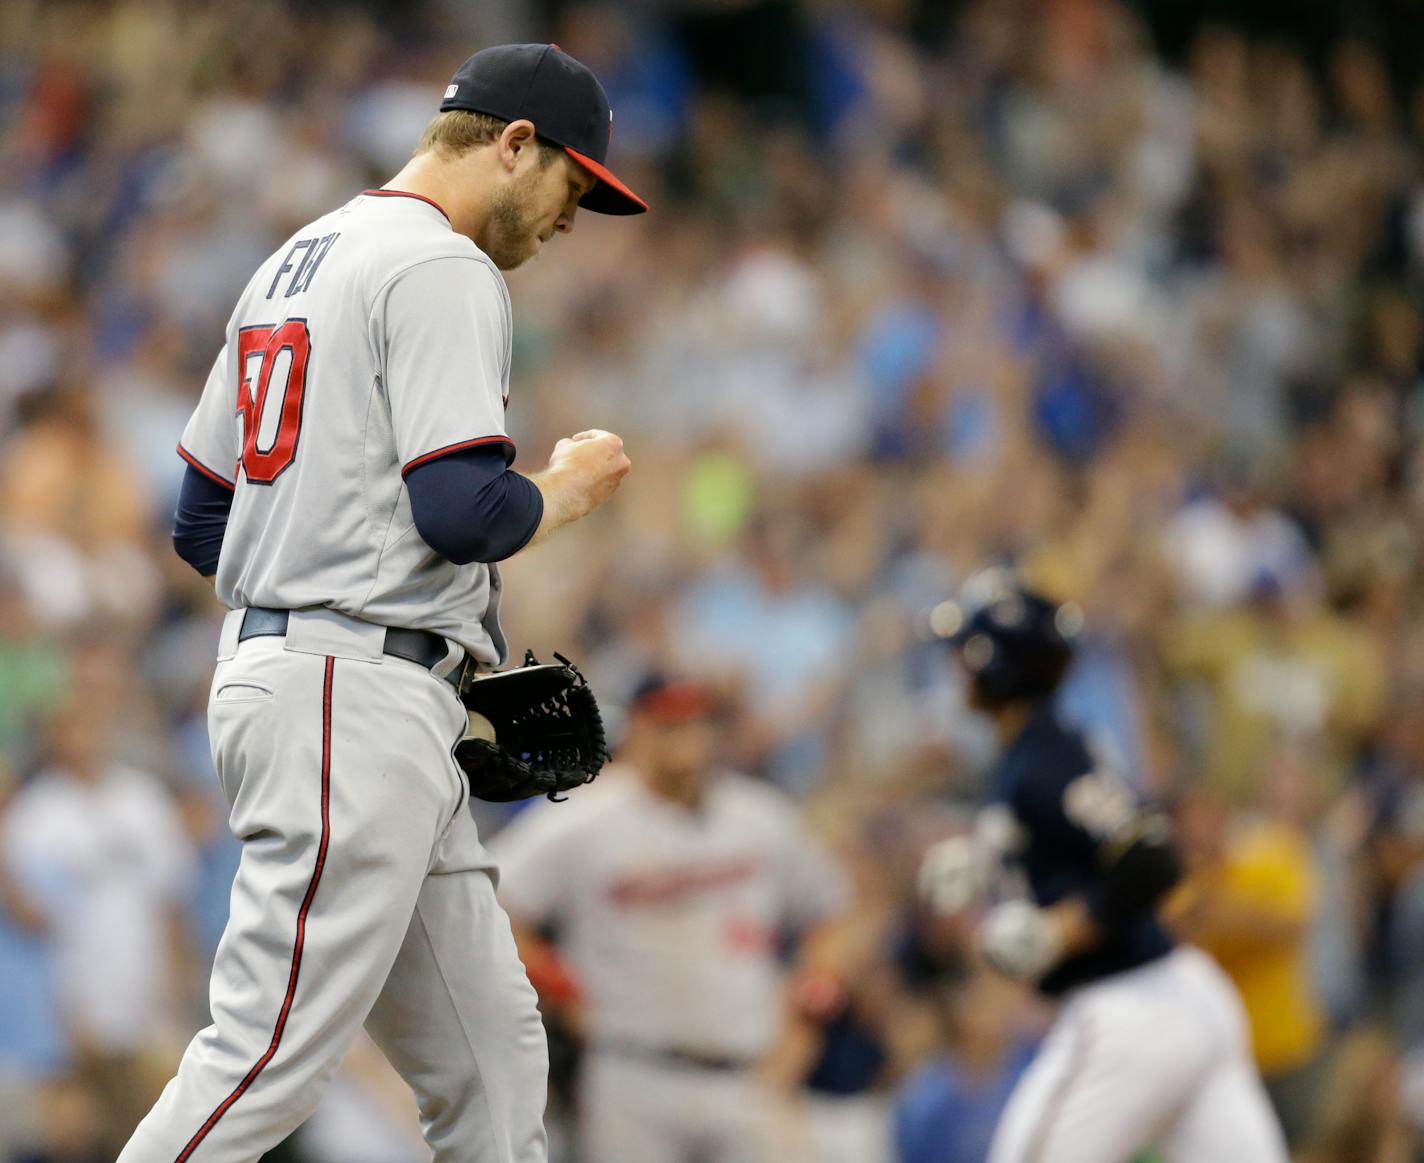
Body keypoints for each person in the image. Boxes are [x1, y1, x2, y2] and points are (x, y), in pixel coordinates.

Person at [120, 43, 643, 1163]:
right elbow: (464, 509)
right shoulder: (442, 265)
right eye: (572, 185)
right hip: (343, 699)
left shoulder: (296, 258)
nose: (570, 220)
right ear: (512, 144)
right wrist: (566, 488)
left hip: (348, 687)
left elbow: (203, 522)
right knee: (266, 1054)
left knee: (492, 1056)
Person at [919, 568, 1288, 1163]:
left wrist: (1059, 929)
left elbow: (1152, 860)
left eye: (966, 654)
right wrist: (985, 860)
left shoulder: (1043, 758)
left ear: (998, 665)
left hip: (1127, 1010)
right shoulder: (1043, 746)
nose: (956, 668)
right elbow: (1077, 843)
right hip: (1189, 998)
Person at [490, 675, 848, 1163]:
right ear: (636, 729)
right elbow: (494, 904)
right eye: (668, 725)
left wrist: (807, 1015)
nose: (686, 740)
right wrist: (560, 987)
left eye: (695, 724)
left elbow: (830, 916)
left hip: (748, 1073)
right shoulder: (585, 818)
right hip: (633, 1073)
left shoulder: (761, 817)